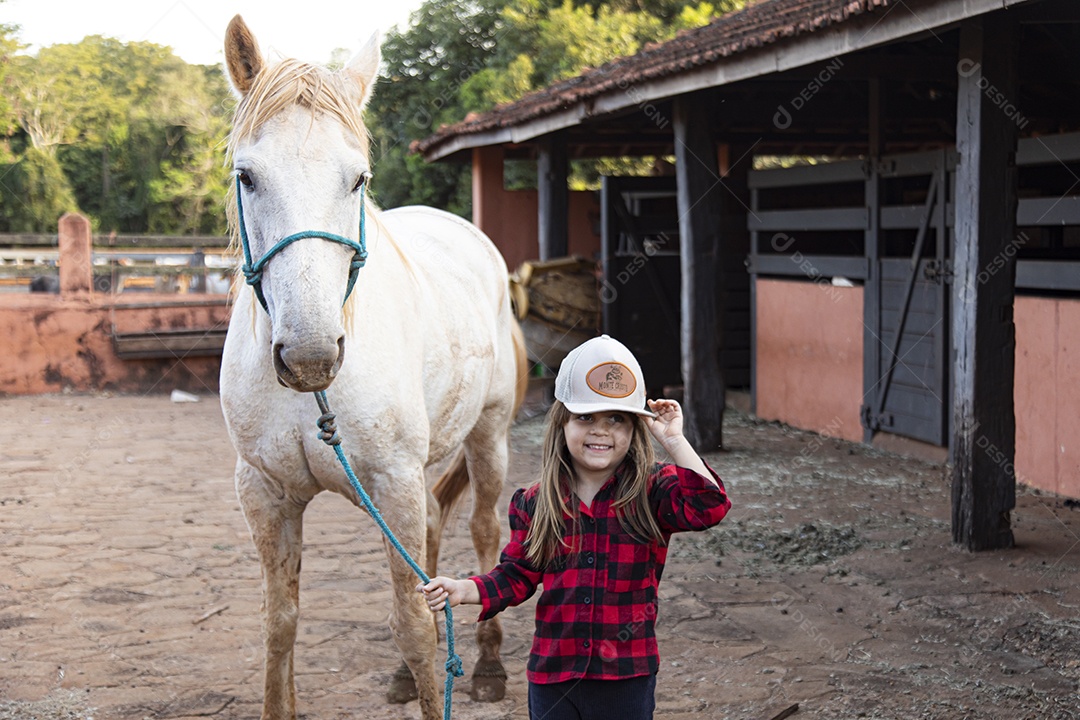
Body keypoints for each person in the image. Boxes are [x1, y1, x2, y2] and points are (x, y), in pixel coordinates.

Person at [417, 334, 731, 720]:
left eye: (616, 419)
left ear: (634, 429)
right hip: (554, 677)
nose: (601, 431)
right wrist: (466, 589)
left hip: (626, 676)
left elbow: (710, 505)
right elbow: (517, 574)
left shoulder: (653, 491)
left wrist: (674, 440)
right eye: (585, 417)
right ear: (562, 423)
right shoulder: (534, 502)